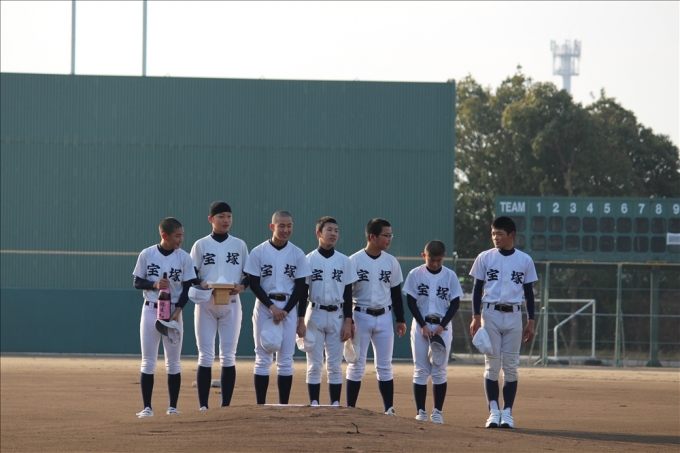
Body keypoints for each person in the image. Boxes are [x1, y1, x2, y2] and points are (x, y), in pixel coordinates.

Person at [469, 216, 537, 429]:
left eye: (499, 233)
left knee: (510, 367)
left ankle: (507, 412)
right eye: (493, 233)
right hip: (490, 314)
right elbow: (476, 289)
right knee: (492, 365)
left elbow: (529, 294)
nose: (495, 237)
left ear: (511, 235)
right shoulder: (485, 257)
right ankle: (493, 411)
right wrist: (475, 316)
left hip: (514, 315)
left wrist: (531, 321)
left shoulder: (524, 260)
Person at [244, 210, 312, 404]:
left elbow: (301, 287)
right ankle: (261, 405)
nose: (286, 230)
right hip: (265, 306)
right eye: (281, 226)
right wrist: (272, 307)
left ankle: (283, 405)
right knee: (263, 357)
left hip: (288, 306)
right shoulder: (259, 252)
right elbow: (254, 283)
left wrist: (287, 311)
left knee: (286, 359)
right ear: (272, 227)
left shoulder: (297, 253)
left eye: (289, 226)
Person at [132, 217, 196, 418]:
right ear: (164, 235)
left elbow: (188, 287)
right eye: (177, 236)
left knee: (173, 361)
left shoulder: (184, 257)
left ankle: (173, 407)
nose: (181, 239)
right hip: (151, 308)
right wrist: (154, 284)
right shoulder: (147, 254)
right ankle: (147, 408)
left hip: (174, 311)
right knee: (148, 360)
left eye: (182, 235)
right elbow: (137, 281)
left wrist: (178, 310)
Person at [190, 201, 249, 410]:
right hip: (206, 303)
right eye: (221, 216)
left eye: (229, 216)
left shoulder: (239, 245)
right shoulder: (201, 245)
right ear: (211, 219)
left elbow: (249, 274)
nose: (226, 220)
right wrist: (201, 284)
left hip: (231, 303)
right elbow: (191, 274)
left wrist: (242, 287)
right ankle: (203, 406)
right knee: (205, 355)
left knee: (228, 355)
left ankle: (225, 407)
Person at [346, 218, 406, 415]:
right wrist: (348, 319)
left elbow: (396, 293)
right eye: (385, 235)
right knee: (356, 365)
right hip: (360, 315)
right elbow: (346, 294)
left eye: (390, 235)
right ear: (372, 237)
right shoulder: (354, 260)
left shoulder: (391, 262)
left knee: (385, 366)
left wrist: (400, 319)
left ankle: (389, 409)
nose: (389, 239)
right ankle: (350, 409)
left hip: (384, 317)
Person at [403, 240, 463, 424]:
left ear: (444, 257)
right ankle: (420, 412)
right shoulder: (415, 274)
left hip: (442, 327)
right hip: (421, 326)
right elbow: (411, 301)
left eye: (439, 260)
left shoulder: (450, 276)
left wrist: (442, 326)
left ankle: (437, 412)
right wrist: (422, 325)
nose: (435, 263)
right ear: (424, 256)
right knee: (420, 369)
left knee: (439, 370)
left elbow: (455, 303)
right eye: (431, 259)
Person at [302, 216, 357, 406]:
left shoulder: (344, 261)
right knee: (314, 364)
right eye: (329, 230)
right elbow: (302, 292)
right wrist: (300, 319)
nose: (333, 234)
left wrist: (349, 320)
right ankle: (314, 403)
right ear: (319, 233)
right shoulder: (308, 260)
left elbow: (348, 293)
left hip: (337, 314)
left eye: (336, 230)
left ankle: (335, 403)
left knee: (335, 364)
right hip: (315, 312)